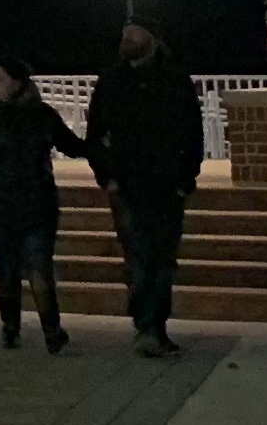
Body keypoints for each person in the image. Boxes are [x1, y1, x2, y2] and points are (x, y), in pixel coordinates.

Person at [83, 21, 203, 357]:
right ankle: (146, 325)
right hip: (126, 184)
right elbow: (95, 134)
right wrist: (107, 175)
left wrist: (185, 179)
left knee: (162, 258)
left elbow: (192, 133)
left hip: (166, 184)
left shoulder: (175, 81)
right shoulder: (112, 82)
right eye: (124, 35)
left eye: (134, 34)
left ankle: (155, 326)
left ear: (151, 39)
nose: (127, 40)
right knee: (137, 256)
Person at [0, 56, 86, 351]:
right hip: (0, 205)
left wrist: (100, 149)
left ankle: (49, 331)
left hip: (32, 204)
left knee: (34, 266)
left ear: (17, 81)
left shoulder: (32, 115)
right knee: (9, 267)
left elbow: (71, 145)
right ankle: (15, 327)